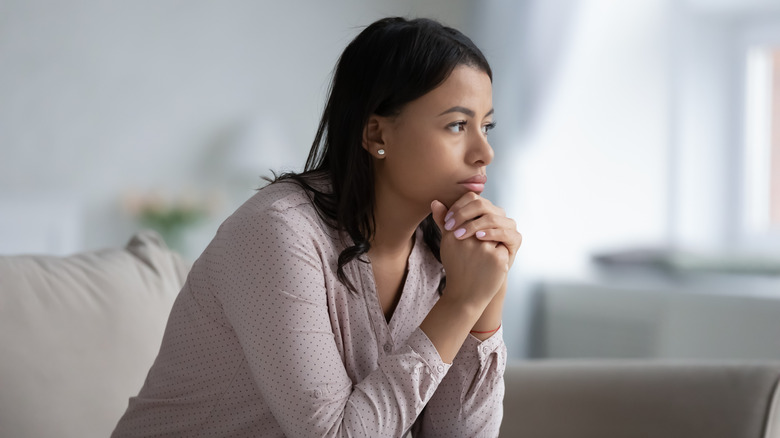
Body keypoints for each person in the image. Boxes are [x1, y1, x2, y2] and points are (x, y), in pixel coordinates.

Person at [112, 16, 522, 437]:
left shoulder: (444, 253)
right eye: (457, 125)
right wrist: (459, 305)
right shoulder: (277, 232)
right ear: (376, 132)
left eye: (486, 126)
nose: (484, 152)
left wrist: (485, 301)